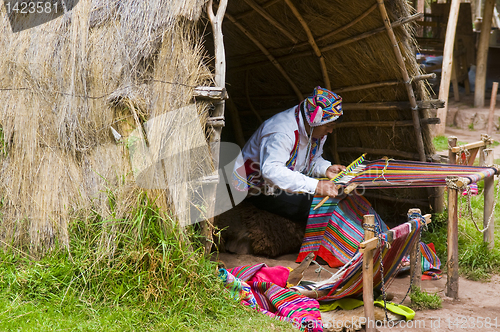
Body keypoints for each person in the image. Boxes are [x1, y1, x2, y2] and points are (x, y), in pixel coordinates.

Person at [232, 86, 346, 225]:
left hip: (281, 183)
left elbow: (310, 160)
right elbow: (271, 172)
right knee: (318, 209)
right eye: (329, 125)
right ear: (315, 121)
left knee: (340, 196)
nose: (331, 130)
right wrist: (316, 185)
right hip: (257, 188)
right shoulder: (281, 133)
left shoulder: (315, 131)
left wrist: (325, 169)